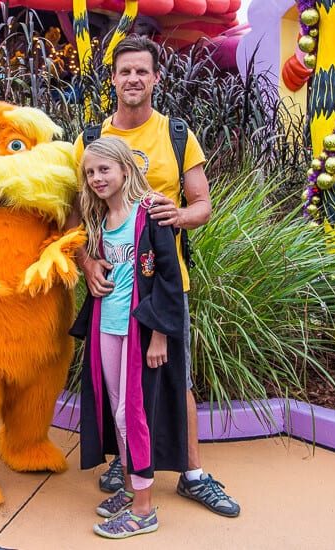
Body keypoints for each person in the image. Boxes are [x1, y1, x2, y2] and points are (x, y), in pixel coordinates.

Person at [70, 34, 240, 518]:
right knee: (116, 384)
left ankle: (193, 474)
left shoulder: (177, 134)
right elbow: (74, 216)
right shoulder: (91, 138)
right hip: (113, 289)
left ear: (155, 78)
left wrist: (175, 216)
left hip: (164, 283)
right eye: (125, 72)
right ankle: (127, 469)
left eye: (142, 71)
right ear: (114, 78)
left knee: (174, 378)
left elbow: (202, 204)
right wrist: (87, 262)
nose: (133, 79)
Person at [72, 136, 188, 539]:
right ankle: (127, 484)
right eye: (90, 172)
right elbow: (103, 273)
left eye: (104, 169)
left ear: (125, 169)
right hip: (107, 327)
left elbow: (169, 280)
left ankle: (144, 510)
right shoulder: (100, 224)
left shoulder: (149, 215)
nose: (97, 178)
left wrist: (160, 335)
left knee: (132, 414)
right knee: (115, 408)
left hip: (140, 331)